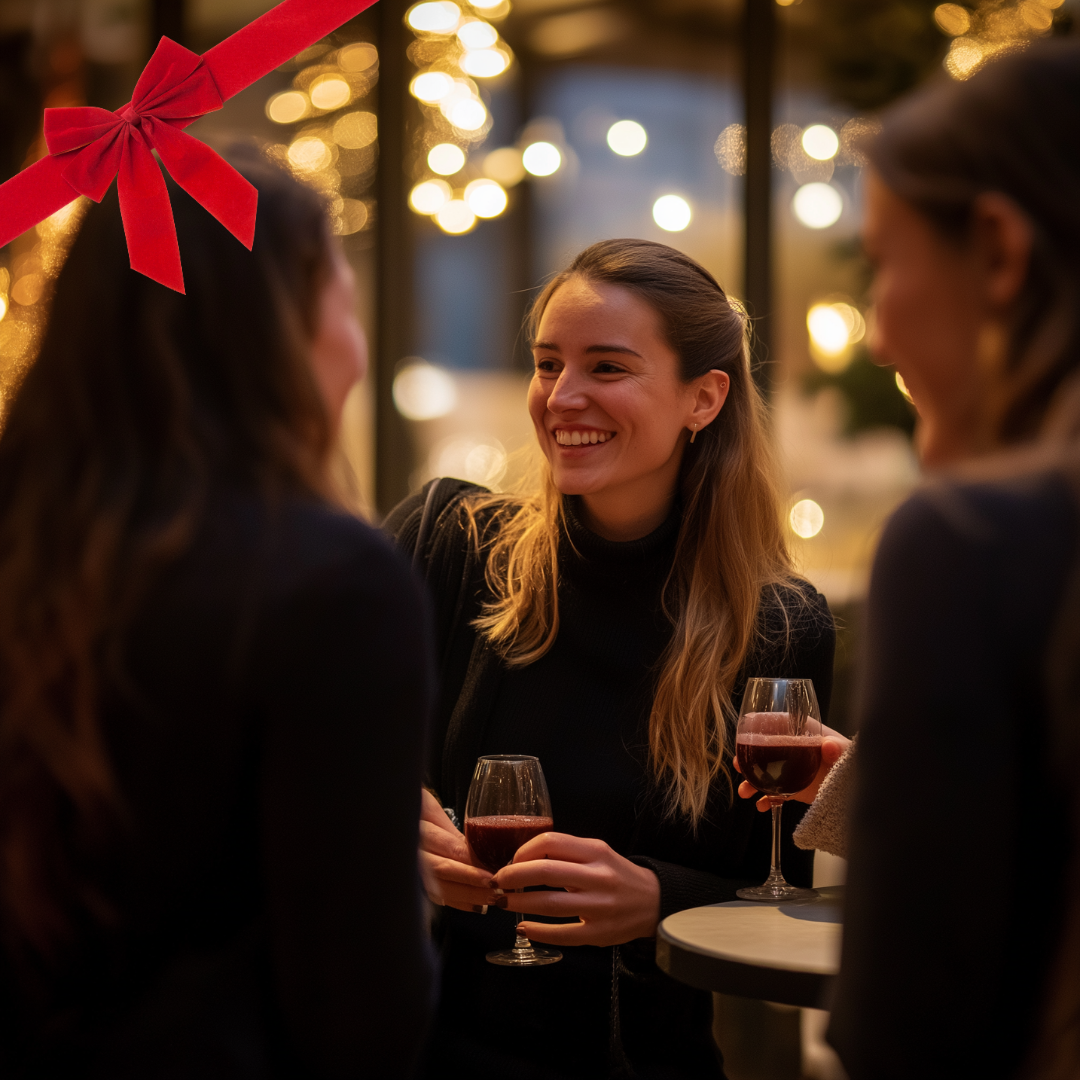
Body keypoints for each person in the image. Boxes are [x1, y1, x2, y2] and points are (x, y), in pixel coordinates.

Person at [0, 154, 435, 1078]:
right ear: (277, 333)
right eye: (345, 303)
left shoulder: (30, 553)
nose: (357, 347)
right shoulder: (332, 587)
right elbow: (360, 1021)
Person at [386, 238, 836, 1079]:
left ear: (703, 398)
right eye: (547, 363)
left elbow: (786, 899)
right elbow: (303, 736)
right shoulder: (450, 539)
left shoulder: (778, 626)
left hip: (638, 1061)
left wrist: (658, 899)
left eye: (607, 367)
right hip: (422, 1048)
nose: (563, 397)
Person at [746, 42, 1080, 1080]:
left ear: (997, 250)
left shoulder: (974, 543)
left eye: (884, 262)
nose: (879, 336)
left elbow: (911, 1021)